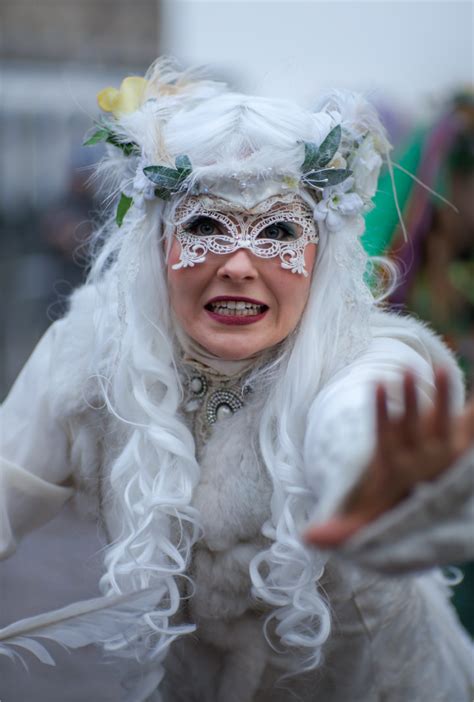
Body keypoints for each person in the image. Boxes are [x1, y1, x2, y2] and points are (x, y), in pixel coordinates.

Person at [0, 60, 473, 702]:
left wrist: (367, 468)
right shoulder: (90, 356)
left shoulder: (369, 359)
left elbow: (361, 415)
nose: (239, 266)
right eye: (204, 227)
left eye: (278, 231)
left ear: (321, 253)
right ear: (157, 242)